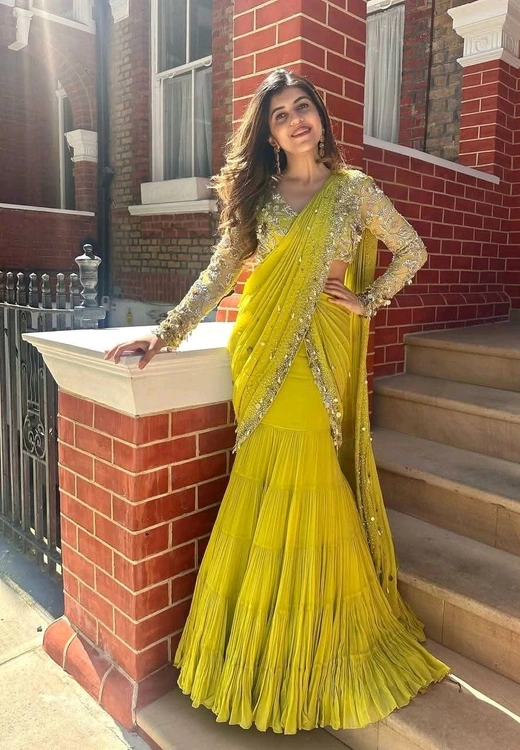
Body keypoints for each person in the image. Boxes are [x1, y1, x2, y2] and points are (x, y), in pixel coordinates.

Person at [105, 68, 451, 734]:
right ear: (268, 133)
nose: (296, 120)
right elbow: (219, 275)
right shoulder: (260, 199)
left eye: (303, 107)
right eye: (280, 114)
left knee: (310, 476)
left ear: (320, 116)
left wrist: (369, 299)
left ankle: (319, 640)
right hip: (262, 354)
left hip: (320, 351)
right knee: (263, 480)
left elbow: (412, 250)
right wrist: (165, 332)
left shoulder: (354, 191)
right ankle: (264, 647)